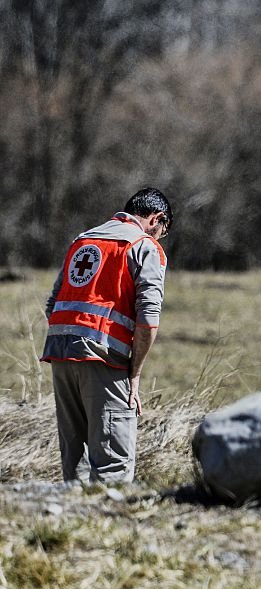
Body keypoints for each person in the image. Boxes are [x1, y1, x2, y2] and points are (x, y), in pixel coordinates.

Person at [41, 188, 171, 484]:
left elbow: (53, 304)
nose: (159, 238)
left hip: (60, 354)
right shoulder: (144, 245)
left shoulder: (83, 240)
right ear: (157, 219)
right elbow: (148, 318)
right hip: (104, 360)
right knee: (113, 465)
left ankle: (66, 527)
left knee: (74, 465)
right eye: (161, 231)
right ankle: (107, 527)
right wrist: (134, 375)